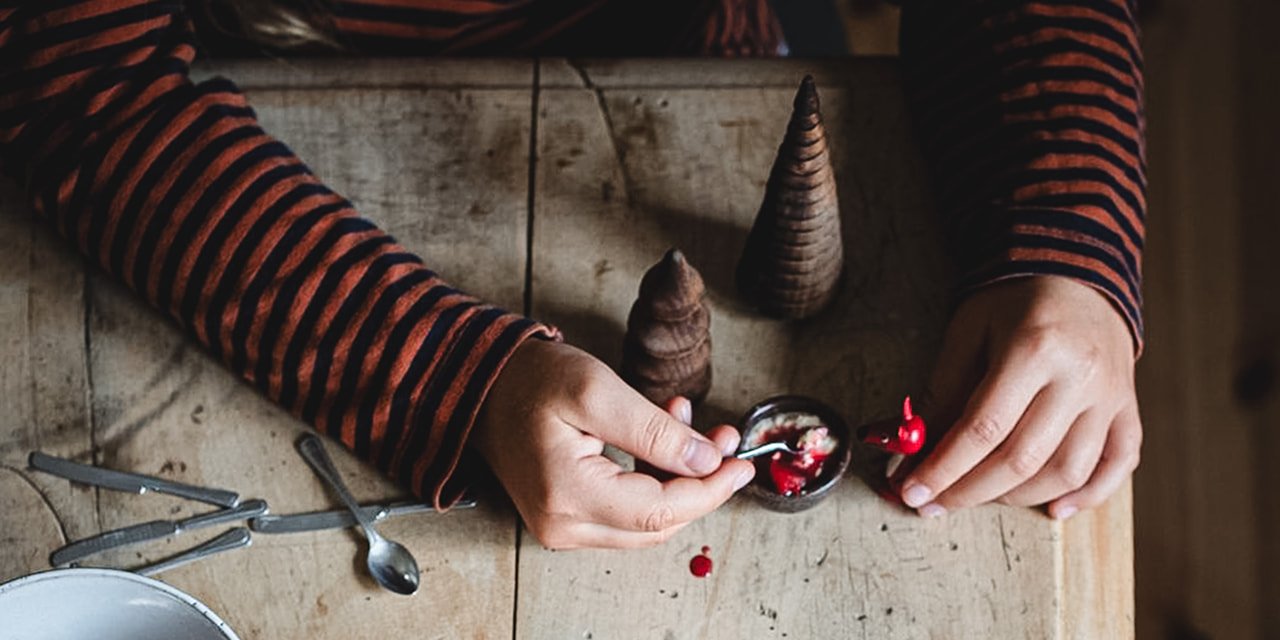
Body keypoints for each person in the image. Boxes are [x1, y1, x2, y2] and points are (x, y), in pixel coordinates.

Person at [0, 1, 1144, 549]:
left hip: (706, 59)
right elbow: (72, 74)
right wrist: (446, 378)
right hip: (266, 146)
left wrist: (1069, 230)